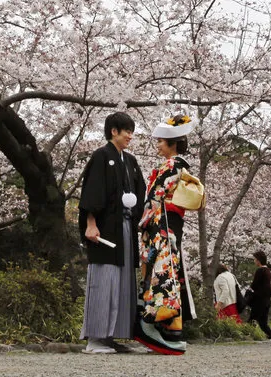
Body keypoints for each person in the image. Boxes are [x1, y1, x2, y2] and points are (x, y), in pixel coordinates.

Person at [78, 112, 146, 354]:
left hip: (126, 228)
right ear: (113, 131)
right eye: (126, 130)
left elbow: (140, 191)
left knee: (124, 280)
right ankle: (95, 338)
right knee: (104, 279)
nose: (130, 135)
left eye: (131, 130)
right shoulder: (101, 156)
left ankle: (114, 336)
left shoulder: (130, 161)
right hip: (105, 228)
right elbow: (92, 193)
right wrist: (91, 223)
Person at [137, 114, 198, 355]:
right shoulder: (176, 165)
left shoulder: (173, 165)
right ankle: (172, 329)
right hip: (169, 222)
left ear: (172, 143)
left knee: (164, 272)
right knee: (169, 271)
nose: (158, 145)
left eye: (161, 141)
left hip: (164, 223)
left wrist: (142, 220)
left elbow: (155, 198)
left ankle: (161, 322)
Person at [248, 250, 271, 339]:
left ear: (259, 260)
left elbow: (254, 285)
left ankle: (246, 335)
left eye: (255, 259)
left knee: (252, 319)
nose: (254, 261)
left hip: (259, 300)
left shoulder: (260, 270)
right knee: (263, 322)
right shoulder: (267, 270)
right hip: (266, 299)